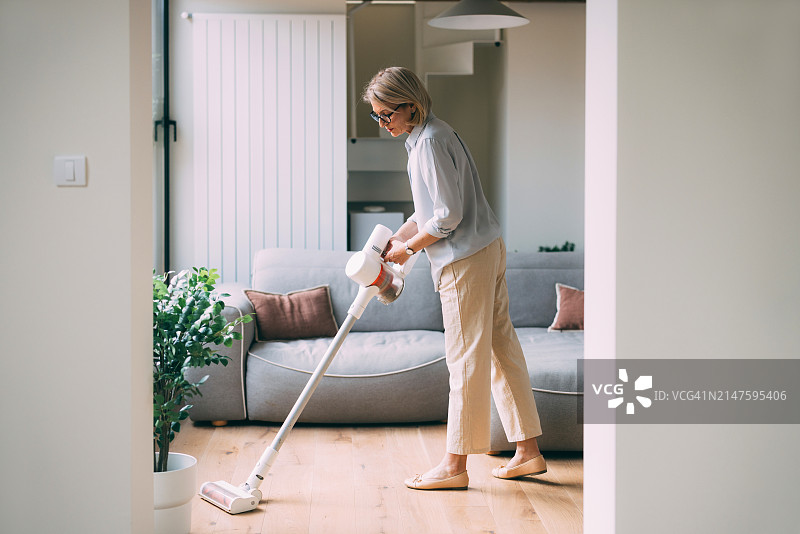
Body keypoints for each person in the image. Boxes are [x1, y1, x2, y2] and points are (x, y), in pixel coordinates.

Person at [362, 67, 547, 490]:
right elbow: (430, 212)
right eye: (376, 116)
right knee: (502, 349)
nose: (382, 122)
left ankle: (454, 465)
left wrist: (409, 249)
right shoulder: (431, 135)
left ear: (411, 104)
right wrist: (399, 237)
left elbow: (447, 217)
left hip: (464, 260)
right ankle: (529, 452)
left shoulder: (427, 143)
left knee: (464, 360)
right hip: (485, 249)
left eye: (387, 113)